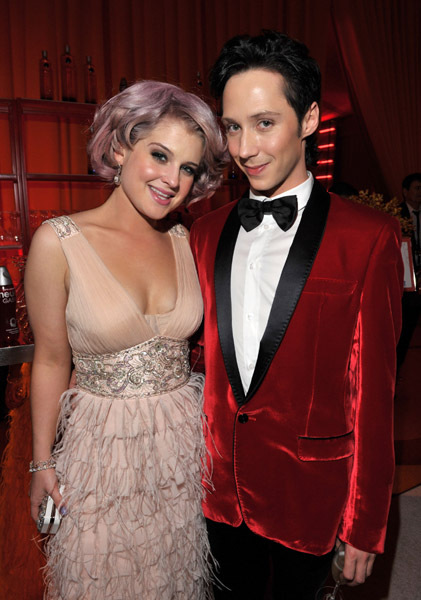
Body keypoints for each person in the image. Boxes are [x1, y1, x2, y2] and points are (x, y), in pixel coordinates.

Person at [190, 31, 403, 599]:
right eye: (233, 127)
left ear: (308, 119)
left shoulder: (371, 237)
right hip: (217, 493)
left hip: (309, 495)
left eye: (265, 123)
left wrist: (364, 524)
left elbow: (375, 395)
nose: (245, 147)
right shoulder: (204, 234)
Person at [25, 80, 226, 599]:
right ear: (119, 146)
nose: (172, 181)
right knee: (101, 575)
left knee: (173, 577)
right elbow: (49, 360)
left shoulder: (186, 241)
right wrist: (42, 461)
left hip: (182, 449)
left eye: (187, 168)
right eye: (159, 155)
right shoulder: (59, 241)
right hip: (101, 450)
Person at [397, 172, 421, 367]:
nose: (420, 192)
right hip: (406, 283)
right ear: (405, 192)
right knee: (405, 329)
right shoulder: (394, 214)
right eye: (417, 188)